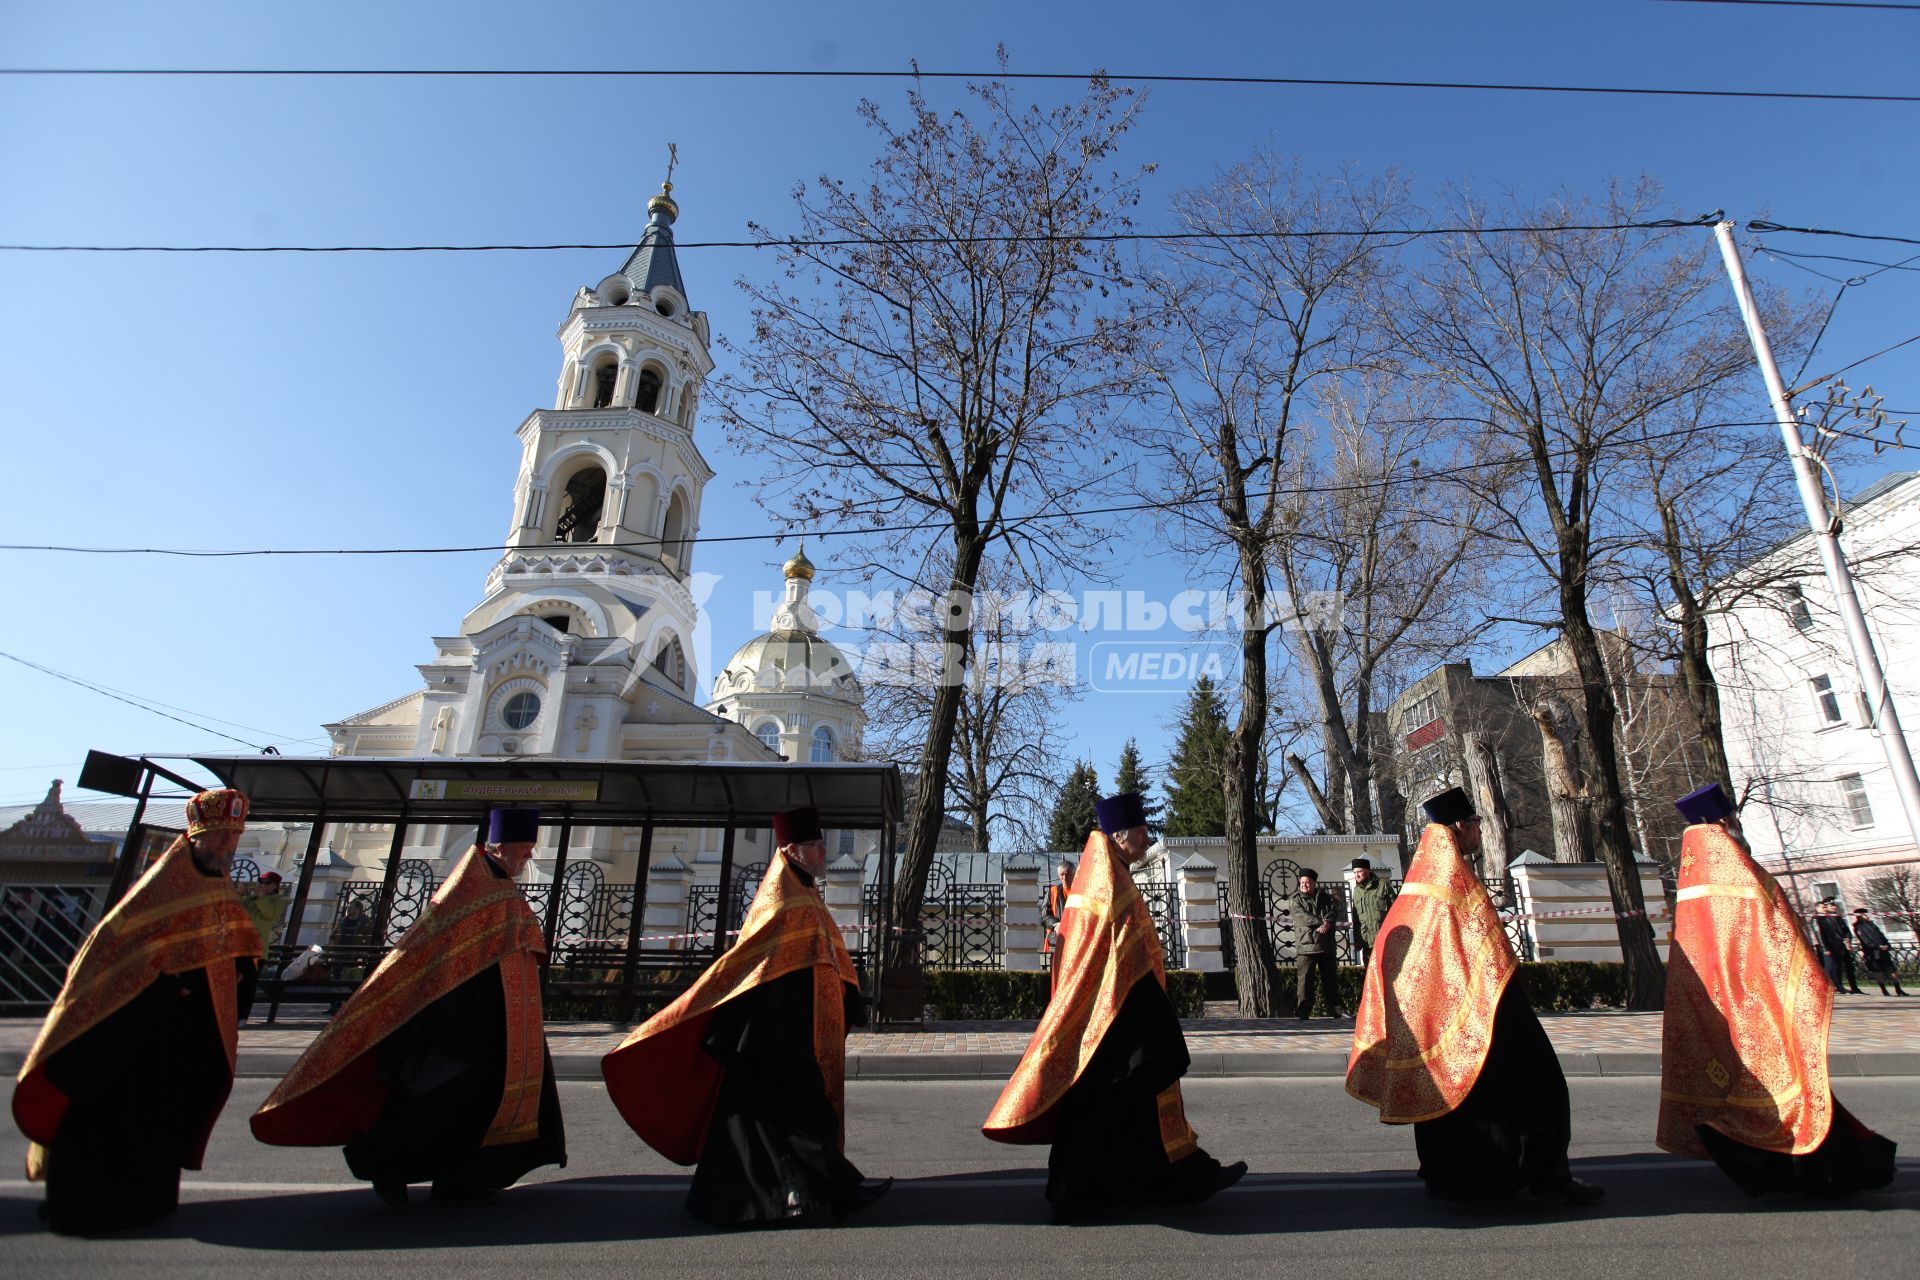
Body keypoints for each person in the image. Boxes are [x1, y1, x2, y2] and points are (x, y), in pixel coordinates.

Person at [251, 807, 565, 1208]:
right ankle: (389, 1165)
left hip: (494, 1012)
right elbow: (441, 949)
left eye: (531, 850)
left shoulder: (498, 885)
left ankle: (462, 1175)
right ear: (498, 846)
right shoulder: (472, 887)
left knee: (478, 1096)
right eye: (523, 849)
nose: (528, 858)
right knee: (439, 1096)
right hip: (455, 1014)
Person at [601, 805, 888, 1227]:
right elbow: (767, 967)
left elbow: (818, 956)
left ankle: (768, 1197)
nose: (824, 852)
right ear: (791, 850)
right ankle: (836, 1190)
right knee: (800, 1111)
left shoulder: (803, 890)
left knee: (764, 1123)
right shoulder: (783, 899)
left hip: (783, 1025)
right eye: (814, 845)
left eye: (821, 843)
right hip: (770, 1028)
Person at [984, 792, 1246, 1224]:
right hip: (1116, 1015)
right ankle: (1089, 1193)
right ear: (1120, 836)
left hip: (1114, 1012)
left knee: (1123, 1105)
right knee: (1109, 1103)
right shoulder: (1107, 882)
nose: (1147, 839)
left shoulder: (1105, 875)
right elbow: (1122, 954)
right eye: (1141, 832)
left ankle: (1173, 1180)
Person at [13, 788, 264, 1235]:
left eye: (233, 837)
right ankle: (79, 1203)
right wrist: (169, 989)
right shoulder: (160, 890)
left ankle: (148, 1200)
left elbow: (240, 948)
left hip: (179, 1042)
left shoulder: (219, 893)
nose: (228, 847)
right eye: (220, 837)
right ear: (196, 837)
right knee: (107, 1117)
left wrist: (242, 971)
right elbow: (120, 957)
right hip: (130, 1036)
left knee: (159, 1122)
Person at [1347, 786, 1602, 1207]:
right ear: (1461, 827)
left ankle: (1448, 1176)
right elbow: (1489, 951)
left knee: (1448, 1095)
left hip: (1433, 1021)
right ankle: (1546, 1177)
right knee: (1542, 1083)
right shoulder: (1455, 886)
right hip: (1484, 1013)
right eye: (1478, 825)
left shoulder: (1416, 889)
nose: (1480, 833)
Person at [1658, 783, 1897, 1196]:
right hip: (1761, 1004)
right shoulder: (1747, 886)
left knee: (1745, 1088)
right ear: (1724, 828)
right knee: (1791, 1087)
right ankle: (1814, 1169)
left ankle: (1767, 1166)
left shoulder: (1692, 894)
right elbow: (1779, 941)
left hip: (1720, 1010)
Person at [1289, 868, 1343, 1019]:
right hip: (1306, 947)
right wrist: (1320, 921)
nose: (1305, 885)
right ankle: (1303, 1012)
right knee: (1305, 982)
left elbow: (1333, 911)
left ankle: (1337, 1010)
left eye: (1308, 882)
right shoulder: (1295, 899)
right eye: (1302, 882)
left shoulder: (1326, 898)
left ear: (1314, 883)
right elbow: (1300, 916)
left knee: (1331, 981)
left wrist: (1327, 923)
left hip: (1326, 946)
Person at [1348, 858, 1395, 969]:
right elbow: (1355, 918)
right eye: (1354, 873)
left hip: (1383, 940)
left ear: (1368, 871)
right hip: (1366, 941)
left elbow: (1395, 911)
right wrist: (1356, 940)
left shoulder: (1382, 886)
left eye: (1359, 872)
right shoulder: (1356, 891)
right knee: (1369, 975)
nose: (1356, 875)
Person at [1852, 907, 1909, 997]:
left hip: (1883, 951)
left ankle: (1898, 989)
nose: (1867, 916)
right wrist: (1878, 946)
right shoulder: (1858, 927)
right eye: (1865, 914)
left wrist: (1887, 944)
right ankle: (1884, 990)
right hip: (1872, 953)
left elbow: (1881, 935)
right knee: (1878, 972)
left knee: (1892, 970)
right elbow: (1865, 940)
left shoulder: (1871, 924)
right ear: (1859, 916)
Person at [1814, 901, 1866, 995]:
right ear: (1817, 908)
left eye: (1825, 907)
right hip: (1828, 947)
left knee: (1837, 967)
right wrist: (1825, 948)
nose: (1825, 909)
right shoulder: (1818, 920)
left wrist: (1846, 940)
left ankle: (1839, 986)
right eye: (1823, 907)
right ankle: (1823, 986)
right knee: (1830, 967)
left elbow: (1840, 931)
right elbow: (1820, 935)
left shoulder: (1831, 918)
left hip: (1837, 946)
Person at [1042, 860, 1074, 991]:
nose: (1064, 878)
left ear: (1074, 874)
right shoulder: (1052, 892)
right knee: (1057, 980)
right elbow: (1045, 916)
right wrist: (1057, 924)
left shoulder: (1081, 891)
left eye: (1067, 874)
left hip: (1075, 940)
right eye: (1061, 875)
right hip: (1057, 941)